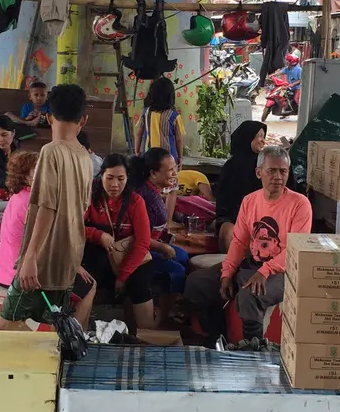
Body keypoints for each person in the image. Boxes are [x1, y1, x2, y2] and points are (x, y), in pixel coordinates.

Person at [184, 145, 312, 341]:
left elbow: (295, 250)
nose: (278, 176)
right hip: (252, 264)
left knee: (249, 296)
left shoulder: (300, 204)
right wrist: (227, 273)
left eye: (283, 171)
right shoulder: (250, 201)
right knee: (197, 284)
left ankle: (254, 353)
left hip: (284, 271)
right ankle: (218, 340)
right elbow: (239, 241)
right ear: (259, 172)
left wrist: (265, 271)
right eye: (272, 171)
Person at [0, 84, 96, 327]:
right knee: (52, 329)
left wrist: (30, 256)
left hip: (43, 260)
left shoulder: (51, 152)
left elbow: (46, 207)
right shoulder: (85, 156)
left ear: (49, 117)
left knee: (5, 328)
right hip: (68, 258)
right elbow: (83, 207)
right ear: (84, 119)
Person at [80, 153, 159, 332]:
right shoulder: (91, 197)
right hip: (99, 257)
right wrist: (98, 235)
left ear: (127, 178)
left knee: (140, 283)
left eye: (120, 179)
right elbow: (75, 228)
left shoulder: (136, 201)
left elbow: (142, 243)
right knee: (85, 280)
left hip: (130, 257)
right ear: (101, 176)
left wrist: (123, 275)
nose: (115, 185)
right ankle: (81, 331)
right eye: (110, 178)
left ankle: (146, 337)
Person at [130, 148, 192, 295]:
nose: (175, 173)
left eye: (175, 168)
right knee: (177, 270)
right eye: (170, 170)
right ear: (153, 173)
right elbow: (138, 238)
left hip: (150, 245)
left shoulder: (153, 191)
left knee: (183, 256)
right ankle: (163, 315)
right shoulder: (144, 198)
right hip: (137, 251)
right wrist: (163, 248)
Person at [213, 121, 266, 254]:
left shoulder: (265, 165)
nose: (263, 141)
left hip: (262, 217)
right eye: (259, 136)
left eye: (263, 137)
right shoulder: (231, 166)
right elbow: (223, 199)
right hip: (233, 216)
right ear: (247, 138)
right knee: (228, 232)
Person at [0, 151, 38, 288]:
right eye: (38, 169)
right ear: (25, 176)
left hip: (4, 273)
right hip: (22, 277)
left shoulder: (18, 196)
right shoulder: (32, 201)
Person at [135, 76, 187, 165]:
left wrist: (137, 151)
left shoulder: (146, 113)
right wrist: (180, 157)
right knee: (169, 178)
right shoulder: (174, 116)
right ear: (170, 96)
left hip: (148, 156)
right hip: (168, 158)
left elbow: (139, 133)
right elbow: (179, 139)